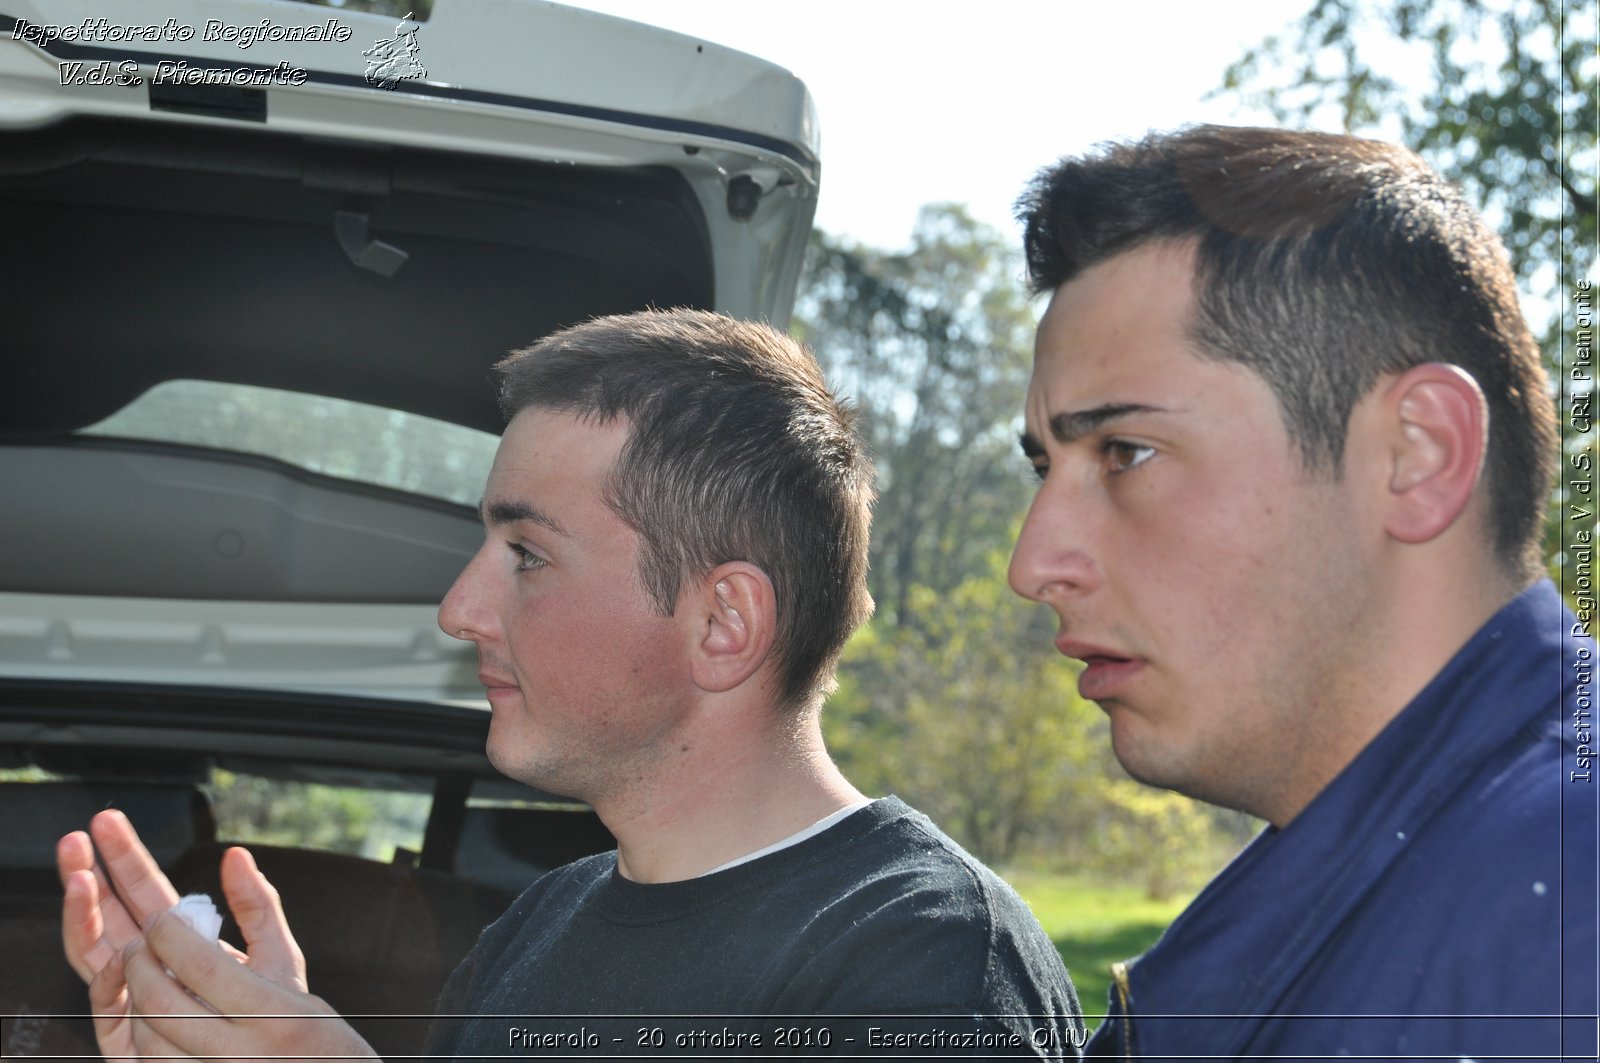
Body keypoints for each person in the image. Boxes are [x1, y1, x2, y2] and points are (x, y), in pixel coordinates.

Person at [58, 309, 1085, 1059]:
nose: (460, 608)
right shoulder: (538, 926)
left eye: (528, 554)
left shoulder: (924, 962)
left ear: (723, 622)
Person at [1007, 124, 1597, 1060]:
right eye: (1046, 464)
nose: (1034, 564)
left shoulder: (1562, 915)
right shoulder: (1426, 878)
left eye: (1126, 452)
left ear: (1417, 455)